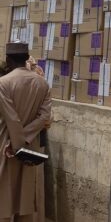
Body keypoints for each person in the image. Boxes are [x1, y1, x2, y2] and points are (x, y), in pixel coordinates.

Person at [0, 42, 51, 222]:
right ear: (26, 58)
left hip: (6, 146)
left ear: (8, 59)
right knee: (25, 197)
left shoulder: (3, 83)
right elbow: (45, 117)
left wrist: (15, 145)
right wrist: (26, 140)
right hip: (30, 147)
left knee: (4, 198)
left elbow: (11, 118)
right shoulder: (42, 83)